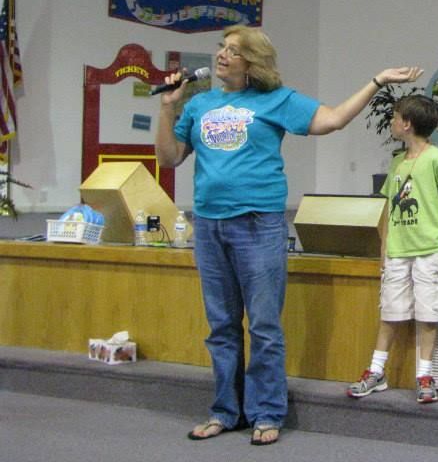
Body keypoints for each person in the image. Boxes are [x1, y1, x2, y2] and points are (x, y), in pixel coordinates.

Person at [155, 24, 423, 446]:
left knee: (263, 325)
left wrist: (377, 81)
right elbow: (169, 158)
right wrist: (168, 108)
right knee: (221, 326)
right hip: (209, 225)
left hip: (257, 224)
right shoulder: (199, 103)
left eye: (233, 51)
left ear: (253, 63)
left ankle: (266, 412)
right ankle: (225, 411)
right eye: (221, 48)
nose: (222, 56)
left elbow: (332, 119)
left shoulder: (276, 100)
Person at [347, 93, 438, 404]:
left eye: (395, 117)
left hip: (430, 249)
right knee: (390, 311)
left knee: (429, 314)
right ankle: (376, 371)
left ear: (407, 124)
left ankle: (425, 374)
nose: (391, 122)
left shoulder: (436, 158)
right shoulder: (398, 162)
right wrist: (385, 246)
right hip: (398, 252)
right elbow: (389, 206)